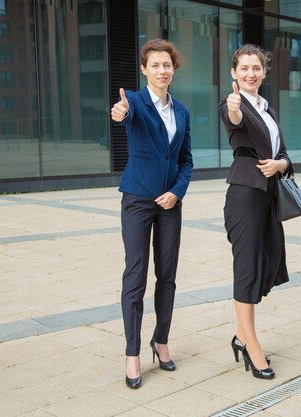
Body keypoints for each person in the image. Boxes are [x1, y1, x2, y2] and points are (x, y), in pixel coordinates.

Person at [110, 39, 193, 389]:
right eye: (155, 65)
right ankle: (132, 353)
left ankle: (160, 340)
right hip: (138, 200)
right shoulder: (136, 102)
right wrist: (120, 111)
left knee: (168, 275)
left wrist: (177, 192)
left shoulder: (183, 111)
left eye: (167, 65)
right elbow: (123, 115)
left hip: (169, 203)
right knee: (136, 274)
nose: (162, 70)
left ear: (174, 70)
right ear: (144, 69)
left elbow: (186, 160)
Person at [218, 44, 291, 380]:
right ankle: (251, 343)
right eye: (244, 68)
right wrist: (234, 107)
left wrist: (281, 163)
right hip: (245, 195)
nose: (250, 73)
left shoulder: (268, 109)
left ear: (264, 72)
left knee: (266, 262)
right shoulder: (233, 103)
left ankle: (239, 334)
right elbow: (233, 120)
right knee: (247, 268)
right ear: (234, 73)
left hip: (269, 196)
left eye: (256, 68)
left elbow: (285, 155)